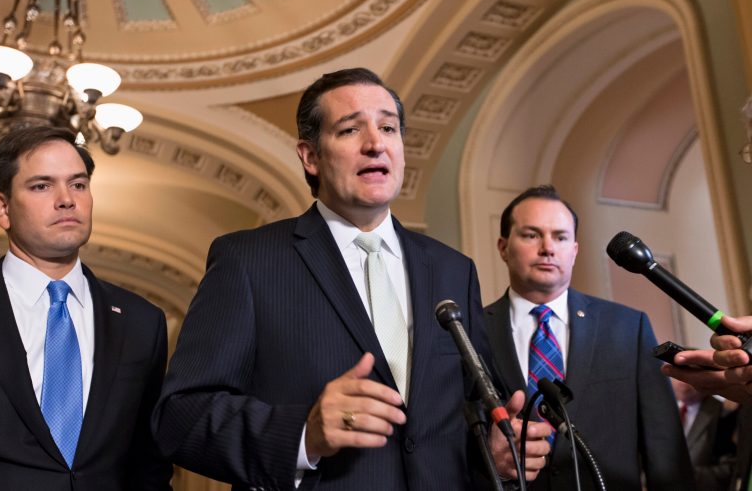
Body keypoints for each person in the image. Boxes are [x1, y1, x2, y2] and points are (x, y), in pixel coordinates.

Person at [152, 68, 550, 490]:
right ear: (310, 156)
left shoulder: (453, 269)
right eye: (349, 130)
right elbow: (180, 417)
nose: (375, 143)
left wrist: (497, 450)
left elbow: (464, 417)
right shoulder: (247, 261)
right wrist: (304, 433)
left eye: (388, 127)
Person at [0, 126, 172, 489]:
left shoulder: (142, 322)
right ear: (2, 207)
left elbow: (149, 466)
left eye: (78, 184)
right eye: (41, 185)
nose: (66, 199)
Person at [482, 184, 695, 490]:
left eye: (560, 237)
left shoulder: (627, 327)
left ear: (574, 251)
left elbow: (665, 451)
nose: (547, 247)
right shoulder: (471, 331)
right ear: (503, 247)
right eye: (531, 235)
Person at [671, 378, 738, 490]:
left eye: (688, 370)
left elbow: (730, 470)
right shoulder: (665, 410)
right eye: (675, 373)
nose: (681, 379)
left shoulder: (724, 414)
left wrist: (681, 475)